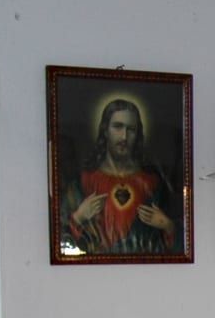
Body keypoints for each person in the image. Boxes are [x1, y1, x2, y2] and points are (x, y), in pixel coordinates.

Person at [63, 99, 180, 256]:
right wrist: (78, 217)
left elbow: (180, 243)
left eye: (131, 129)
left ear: (137, 134)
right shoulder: (83, 182)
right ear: (105, 130)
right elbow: (61, 240)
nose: (124, 137)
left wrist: (167, 225)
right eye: (117, 127)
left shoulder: (153, 182)